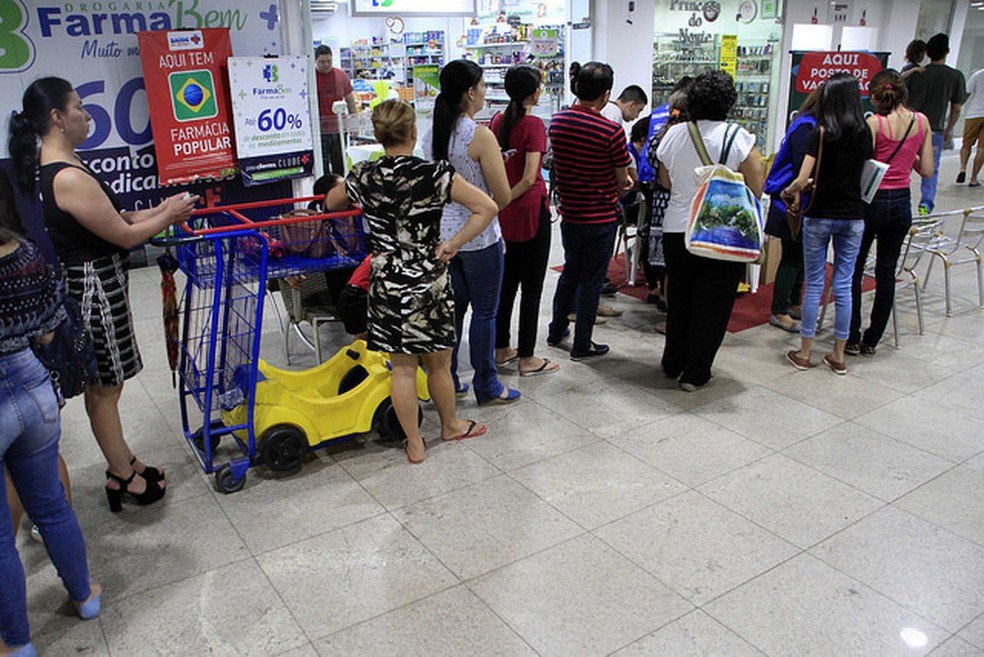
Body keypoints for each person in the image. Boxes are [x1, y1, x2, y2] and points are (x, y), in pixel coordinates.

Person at [9, 77, 198, 511]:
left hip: (98, 280)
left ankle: (124, 460)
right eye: (77, 107)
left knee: (107, 384)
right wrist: (168, 214)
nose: (86, 114)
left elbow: (117, 216)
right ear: (57, 117)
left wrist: (158, 210)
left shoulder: (64, 165)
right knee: (105, 387)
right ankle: (122, 474)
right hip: (93, 286)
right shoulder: (66, 175)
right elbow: (124, 236)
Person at [327, 99, 498, 463]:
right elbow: (487, 207)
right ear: (413, 131)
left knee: (401, 370)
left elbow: (331, 203)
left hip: (386, 279)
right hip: (428, 279)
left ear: (376, 134)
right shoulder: (435, 174)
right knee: (438, 363)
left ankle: (415, 443)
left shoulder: (365, 175)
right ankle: (449, 425)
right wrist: (453, 243)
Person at [1, 166, 101, 657]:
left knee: (0, 537)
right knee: (53, 507)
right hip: (35, 391)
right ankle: (84, 597)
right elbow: (48, 331)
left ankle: (17, 643)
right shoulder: (25, 254)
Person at [656, 70, 764, 391]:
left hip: (677, 227)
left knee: (680, 297)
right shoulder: (737, 137)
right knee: (713, 302)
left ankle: (672, 361)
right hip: (720, 231)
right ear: (729, 102)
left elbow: (665, 180)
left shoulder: (674, 134)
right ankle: (695, 372)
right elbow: (756, 183)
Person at [423, 60, 518, 405]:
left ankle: (448, 379)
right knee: (485, 312)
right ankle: (487, 383)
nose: (485, 92)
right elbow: (502, 196)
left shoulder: (432, 133)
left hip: (444, 236)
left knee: (454, 311)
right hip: (479, 236)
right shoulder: (480, 136)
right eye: (481, 85)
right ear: (470, 92)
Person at [782, 72, 873, 376]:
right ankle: (838, 355)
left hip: (820, 215)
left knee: (815, 283)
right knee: (845, 284)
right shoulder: (864, 132)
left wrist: (794, 190)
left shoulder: (819, 133)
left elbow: (800, 178)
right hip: (853, 216)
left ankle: (805, 352)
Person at [547, 62, 633, 361]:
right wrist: (622, 183)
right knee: (593, 280)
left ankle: (557, 330)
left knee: (570, 272)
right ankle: (583, 344)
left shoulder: (557, 122)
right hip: (600, 217)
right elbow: (623, 181)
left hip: (570, 213)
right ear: (606, 94)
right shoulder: (611, 130)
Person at [848, 70, 934, 356]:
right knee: (887, 270)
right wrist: (910, 153)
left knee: (855, 268)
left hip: (872, 201)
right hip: (901, 203)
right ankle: (872, 339)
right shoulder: (921, 121)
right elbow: (927, 170)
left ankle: (851, 335)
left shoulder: (874, 123)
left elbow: (863, 164)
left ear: (876, 94)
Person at [491, 65, 559, 377]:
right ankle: (528, 357)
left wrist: (499, 202)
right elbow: (531, 177)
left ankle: (502, 347)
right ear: (534, 92)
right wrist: (508, 198)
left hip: (504, 215)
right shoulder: (532, 125)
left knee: (507, 284)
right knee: (531, 287)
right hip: (530, 211)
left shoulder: (497, 122)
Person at [763, 86, 824, 333]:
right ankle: (779, 309)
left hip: (797, 199)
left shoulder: (808, 124)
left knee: (800, 255)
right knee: (792, 255)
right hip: (789, 200)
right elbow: (801, 170)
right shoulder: (806, 128)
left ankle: (793, 302)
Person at [905, 33, 967, 214]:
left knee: (904, 166)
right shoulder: (955, 76)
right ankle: (925, 206)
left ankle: (902, 204)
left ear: (927, 53)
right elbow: (956, 107)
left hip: (910, 128)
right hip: (934, 130)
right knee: (931, 170)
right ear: (947, 51)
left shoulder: (918, 75)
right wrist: (949, 129)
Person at [315, 45, 358, 176]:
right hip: (319, 129)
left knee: (339, 163)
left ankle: (339, 190)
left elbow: (350, 98)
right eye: (322, 62)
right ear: (316, 61)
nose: (326, 64)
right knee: (322, 164)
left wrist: (354, 123)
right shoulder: (311, 77)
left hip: (339, 127)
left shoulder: (340, 75)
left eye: (329, 61)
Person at [957, 67, 984, 186]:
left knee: (966, 144)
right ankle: (973, 178)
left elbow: (966, 94)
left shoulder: (978, 74)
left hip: (973, 114)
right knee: (982, 149)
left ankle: (962, 168)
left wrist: (957, 108)